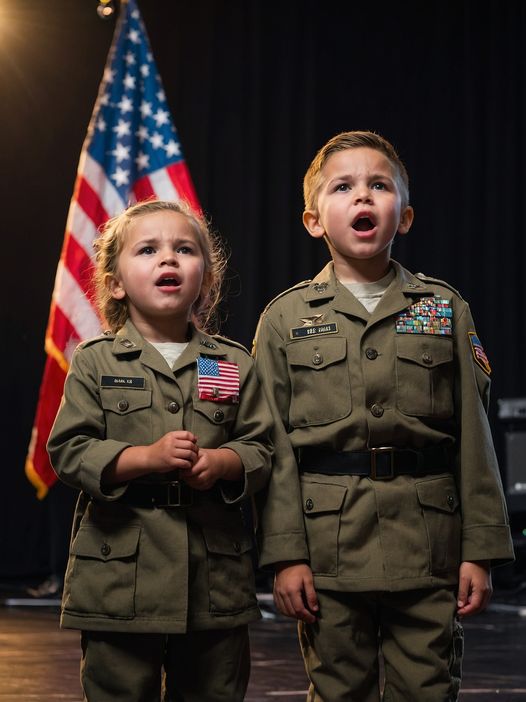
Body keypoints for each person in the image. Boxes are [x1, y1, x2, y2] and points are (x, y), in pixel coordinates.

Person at [253, 130, 514, 702]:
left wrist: (481, 550)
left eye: (379, 186)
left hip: (429, 545)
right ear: (313, 220)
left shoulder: (444, 309)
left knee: (428, 688)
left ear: (407, 215)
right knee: (338, 690)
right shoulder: (284, 319)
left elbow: (475, 435)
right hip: (328, 552)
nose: (363, 197)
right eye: (343, 187)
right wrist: (285, 554)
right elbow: (269, 446)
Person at [47, 198, 274, 702]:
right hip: (119, 577)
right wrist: (144, 459)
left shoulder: (233, 363)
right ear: (115, 282)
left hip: (213, 579)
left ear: (206, 280)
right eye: (148, 250)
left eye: (184, 249)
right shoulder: (94, 362)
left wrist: (223, 463)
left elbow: (261, 449)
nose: (168, 259)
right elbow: (69, 450)